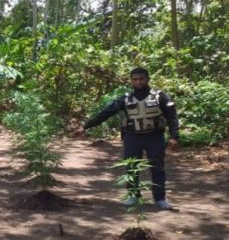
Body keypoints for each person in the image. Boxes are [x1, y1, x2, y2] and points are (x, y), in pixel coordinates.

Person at [75, 68, 179, 209]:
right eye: (135, 79)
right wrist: (85, 126)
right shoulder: (125, 98)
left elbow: (172, 117)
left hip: (155, 136)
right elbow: (106, 113)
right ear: (131, 80)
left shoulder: (160, 96)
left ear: (147, 79)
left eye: (141, 79)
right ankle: (133, 195)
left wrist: (174, 136)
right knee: (131, 167)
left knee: (157, 168)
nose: (138, 81)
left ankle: (160, 198)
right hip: (132, 137)